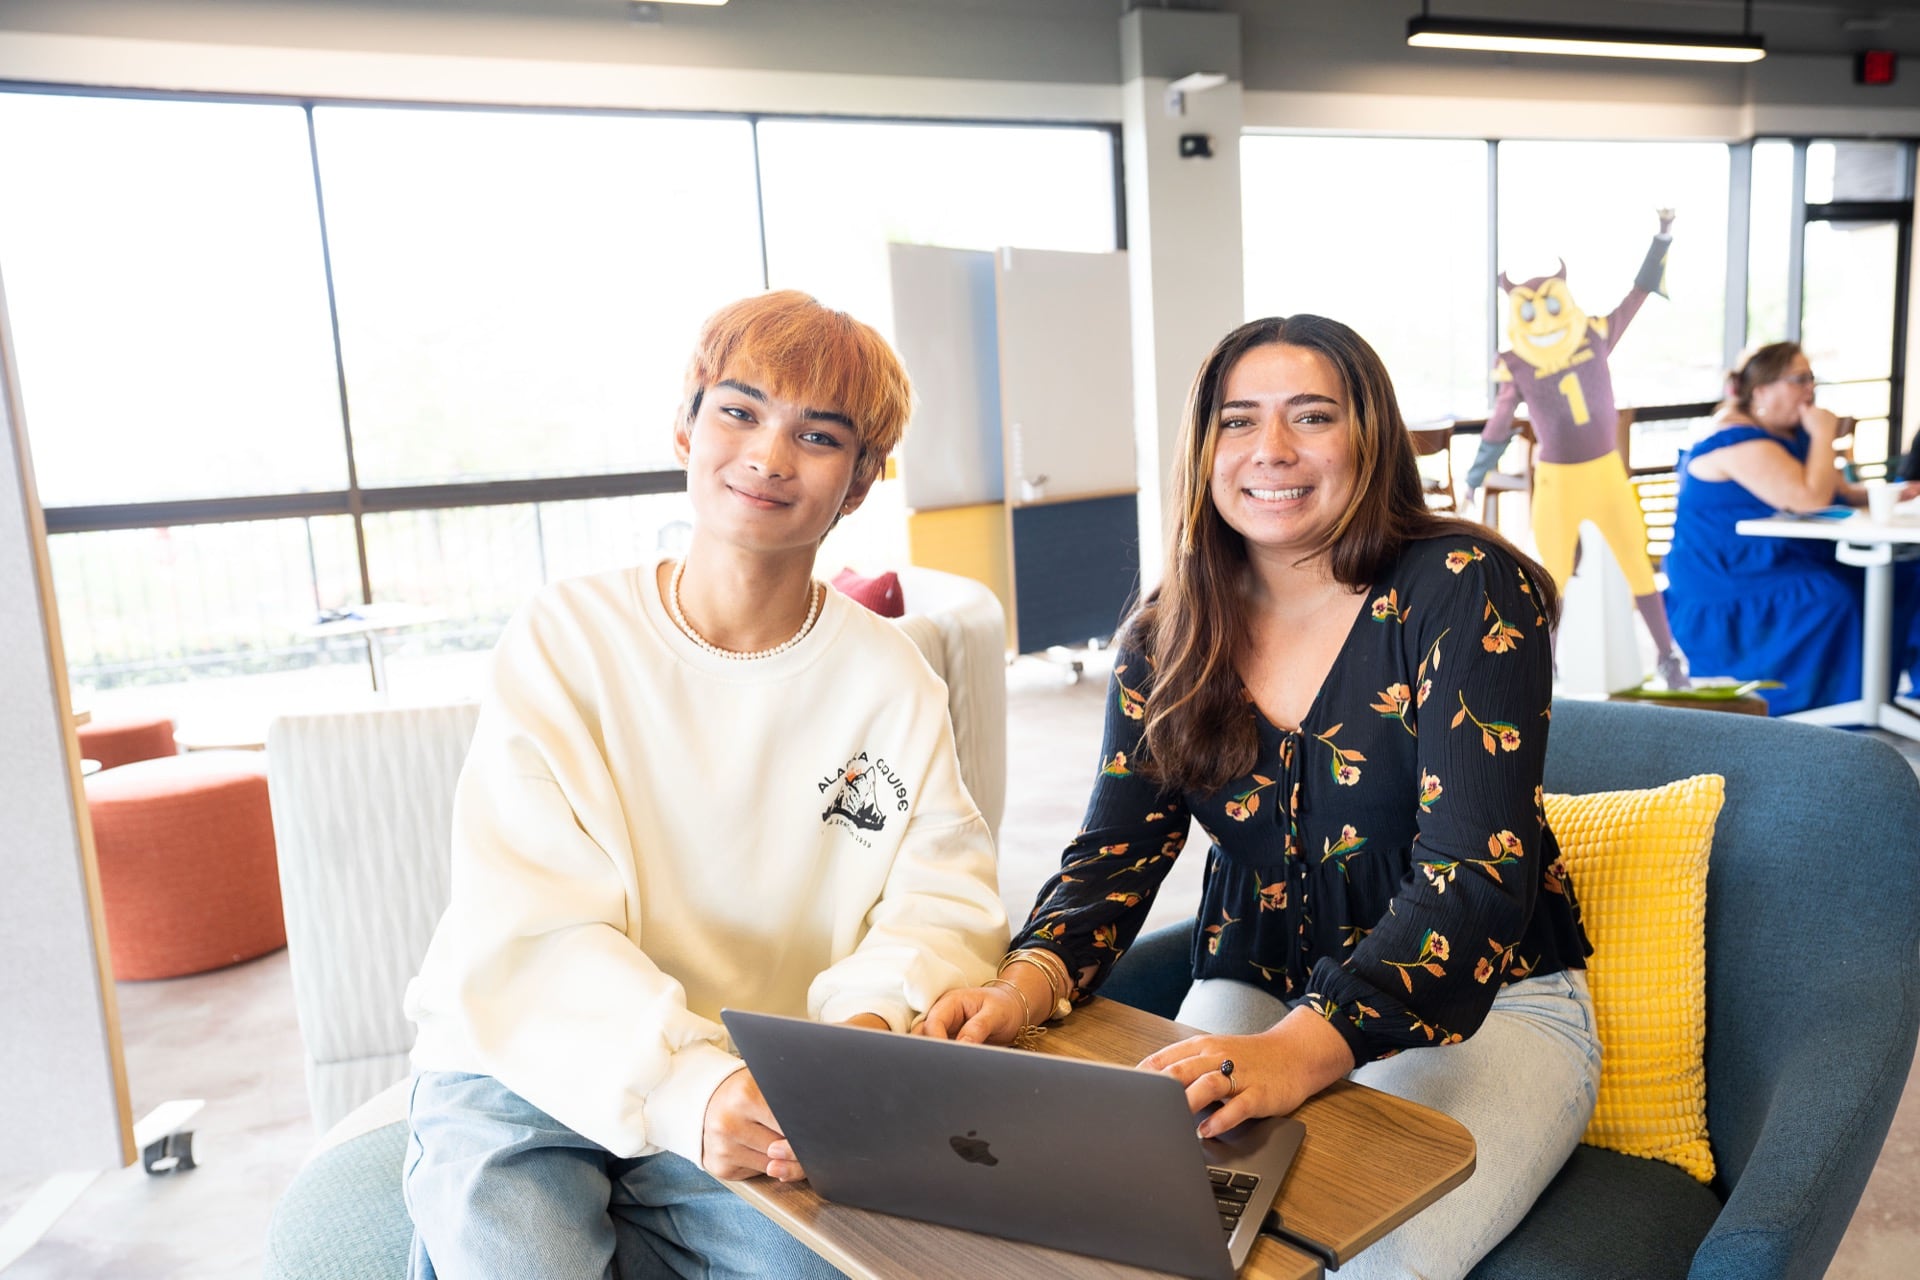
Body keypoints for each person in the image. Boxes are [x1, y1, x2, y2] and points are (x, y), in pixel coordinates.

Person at [921, 315, 1598, 1280]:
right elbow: (1116, 852)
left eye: (1311, 416)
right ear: (1205, 451)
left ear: (1369, 437)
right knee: (1145, 1238)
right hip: (1257, 980)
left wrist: (1300, 1052)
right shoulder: (1166, 636)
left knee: (1374, 1261)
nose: (1271, 451)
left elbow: (1474, 878)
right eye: (1238, 422)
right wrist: (1018, 988)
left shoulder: (1467, 587)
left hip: (1492, 1004)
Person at [402, 290, 1010, 1280]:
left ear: (860, 481)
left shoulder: (892, 677)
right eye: (740, 410)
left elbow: (940, 896)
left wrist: (862, 1028)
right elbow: (533, 923)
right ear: (685, 424)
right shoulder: (566, 637)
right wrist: (687, 1088)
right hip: (528, 1057)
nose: (770, 454)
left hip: (762, 1083)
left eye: (818, 434)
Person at [1460, 210, 1687, 689]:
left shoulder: (1595, 333)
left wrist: (1661, 239)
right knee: (1552, 576)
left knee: (1636, 560)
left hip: (1605, 473)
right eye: (1530, 309)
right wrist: (1475, 476)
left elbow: (1638, 294)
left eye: (1550, 304)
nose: (1543, 318)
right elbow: (1500, 422)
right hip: (1558, 481)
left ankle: (1668, 657)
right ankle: (1546, 670)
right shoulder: (1516, 361)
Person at [1662, 340, 1920, 715]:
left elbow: (1837, 491)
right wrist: (1822, 434)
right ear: (1761, 391)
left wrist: (1894, 494)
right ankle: (1838, 709)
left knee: (1907, 576)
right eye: (1799, 379)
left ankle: (1885, 700)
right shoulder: (1737, 440)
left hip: (1780, 561)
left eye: (1811, 378)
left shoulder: (1785, 434)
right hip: (1731, 579)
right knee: (1835, 594)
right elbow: (1811, 499)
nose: (1810, 390)